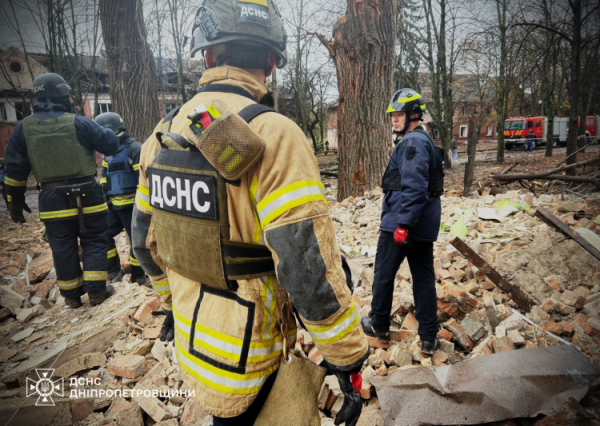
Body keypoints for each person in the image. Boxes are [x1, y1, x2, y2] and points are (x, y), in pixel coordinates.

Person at [131, 1, 369, 424]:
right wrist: (347, 358)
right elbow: (305, 267)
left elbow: (143, 242)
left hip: (193, 345)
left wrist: (169, 303)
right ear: (272, 62)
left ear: (206, 55)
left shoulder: (161, 134)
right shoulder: (276, 134)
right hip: (252, 360)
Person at [4, 73, 119, 309]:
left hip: (51, 199)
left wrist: (14, 203)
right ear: (63, 95)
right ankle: (97, 291)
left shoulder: (22, 128)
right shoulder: (79, 122)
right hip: (88, 196)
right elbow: (111, 145)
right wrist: (106, 129)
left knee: (62, 246)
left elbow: (14, 171)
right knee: (95, 240)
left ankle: (71, 297)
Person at [361, 88, 443, 355]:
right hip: (421, 225)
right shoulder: (422, 140)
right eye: (393, 115)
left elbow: (415, 186)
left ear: (414, 115)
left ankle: (379, 324)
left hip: (401, 224)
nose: (394, 120)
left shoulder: (412, 143)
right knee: (423, 279)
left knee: (383, 275)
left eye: (399, 115)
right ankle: (429, 337)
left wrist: (403, 225)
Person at [95, 112, 146, 285]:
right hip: (113, 207)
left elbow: (144, 179)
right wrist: (103, 189)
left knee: (138, 243)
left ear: (113, 130)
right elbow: (105, 174)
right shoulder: (109, 152)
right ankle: (114, 270)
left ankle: (139, 277)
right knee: (102, 235)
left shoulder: (135, 149)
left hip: (134, 207)